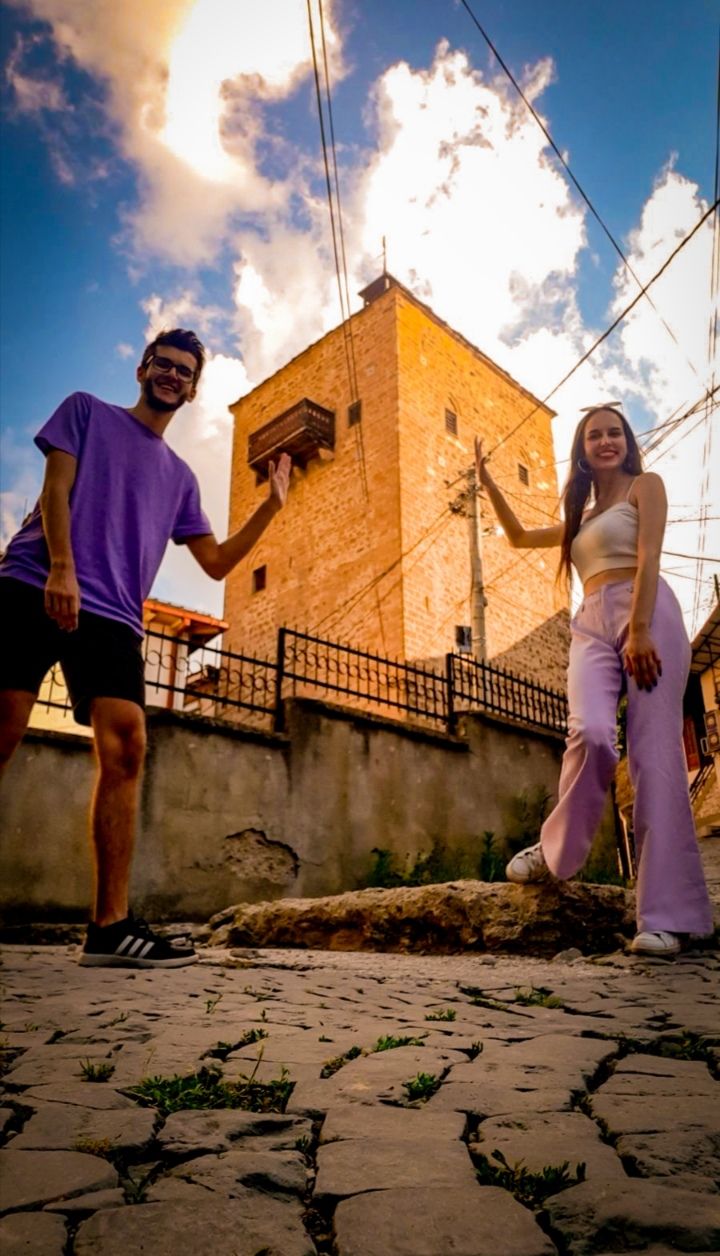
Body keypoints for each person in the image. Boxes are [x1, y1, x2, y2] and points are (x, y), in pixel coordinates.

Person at [0, 328, 291, 969]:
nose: (172, 376)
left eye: (184, 372)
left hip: (114, 617)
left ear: (191, 389)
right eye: (164, 364)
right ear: (142, 368)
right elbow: (55, 490)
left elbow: (214, 564)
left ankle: (109, 928)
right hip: (37, 581)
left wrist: (271, 506)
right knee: (4, 728)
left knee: (128, 743)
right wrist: (61, 567)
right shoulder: (86, 411)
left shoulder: (181, 478)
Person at [475, 405, 713, 957]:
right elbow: (514, 537)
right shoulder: (581, 519)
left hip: (647, 615)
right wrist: (486, 480)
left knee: (654, 762)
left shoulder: (644, 487)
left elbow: (650, 555)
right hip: (591, 624)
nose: (605, 441)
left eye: (614, 433)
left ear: (627, 443)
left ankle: (665, 918)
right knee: (592, 734)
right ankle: (555, 850)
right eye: (593, 435)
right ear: (582, 450)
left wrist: (639, 630)